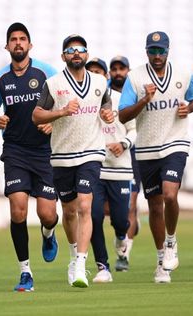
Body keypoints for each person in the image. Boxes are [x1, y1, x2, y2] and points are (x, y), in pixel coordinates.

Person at [118, 31, 193, 283]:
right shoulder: (135, 77)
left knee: (169, 194)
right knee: (154, 206)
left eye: (161, 51)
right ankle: (160, 263)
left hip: (175, 142)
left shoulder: (183, 74)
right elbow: (123, 116)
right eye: (152, 51)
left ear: (168, 51)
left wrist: (190, 107)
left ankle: (172, 241)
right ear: (146, 52)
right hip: (146, 149)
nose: (157, 56)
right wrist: (145, 99)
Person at [0, 22, 59, 292]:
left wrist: (54, 123)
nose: (18, 43)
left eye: (22, 39)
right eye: (13, 39)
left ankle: (49, 234)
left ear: (30, 45)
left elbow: (65, 101)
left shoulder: (46, 72)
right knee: (18, 209)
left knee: (47, 214)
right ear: (6, 46)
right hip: (15, 151)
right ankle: (25, 272)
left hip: (45, 152)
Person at [32, 34, 114, 288]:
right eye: (70, 50)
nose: (76, 53)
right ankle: (72, 257)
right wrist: (61, 112)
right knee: (68, 212)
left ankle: (81, 263)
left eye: (80, 49)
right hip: (62, 156)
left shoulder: (100, 81)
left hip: (91, 153)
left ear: (87, 54)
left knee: (85, 206)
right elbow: (36, 115)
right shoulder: (54, 83)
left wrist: (108, 114)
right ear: (63, 56)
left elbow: (106, 105)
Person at [85, 58, 136, 283]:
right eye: (91, 72)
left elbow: (135, 130)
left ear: (105, 76)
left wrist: (123, 143)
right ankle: (102, 267)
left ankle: (121, 236)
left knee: (120, 220)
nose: (95, 75)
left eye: (98, 72)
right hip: (93, 168)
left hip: (120, 168)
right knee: (94, 216)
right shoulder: (81, 104)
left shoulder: (120, 100)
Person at [109, 55, 139, 271]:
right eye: (114, 68)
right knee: (111, 210)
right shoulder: (105, 95)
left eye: (122, 68)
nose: (118, 72)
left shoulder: (134, 92)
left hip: (135, 153)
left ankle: (124, 254)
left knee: (131, 205)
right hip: (110, 157)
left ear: (128, 70)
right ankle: (122, 236)